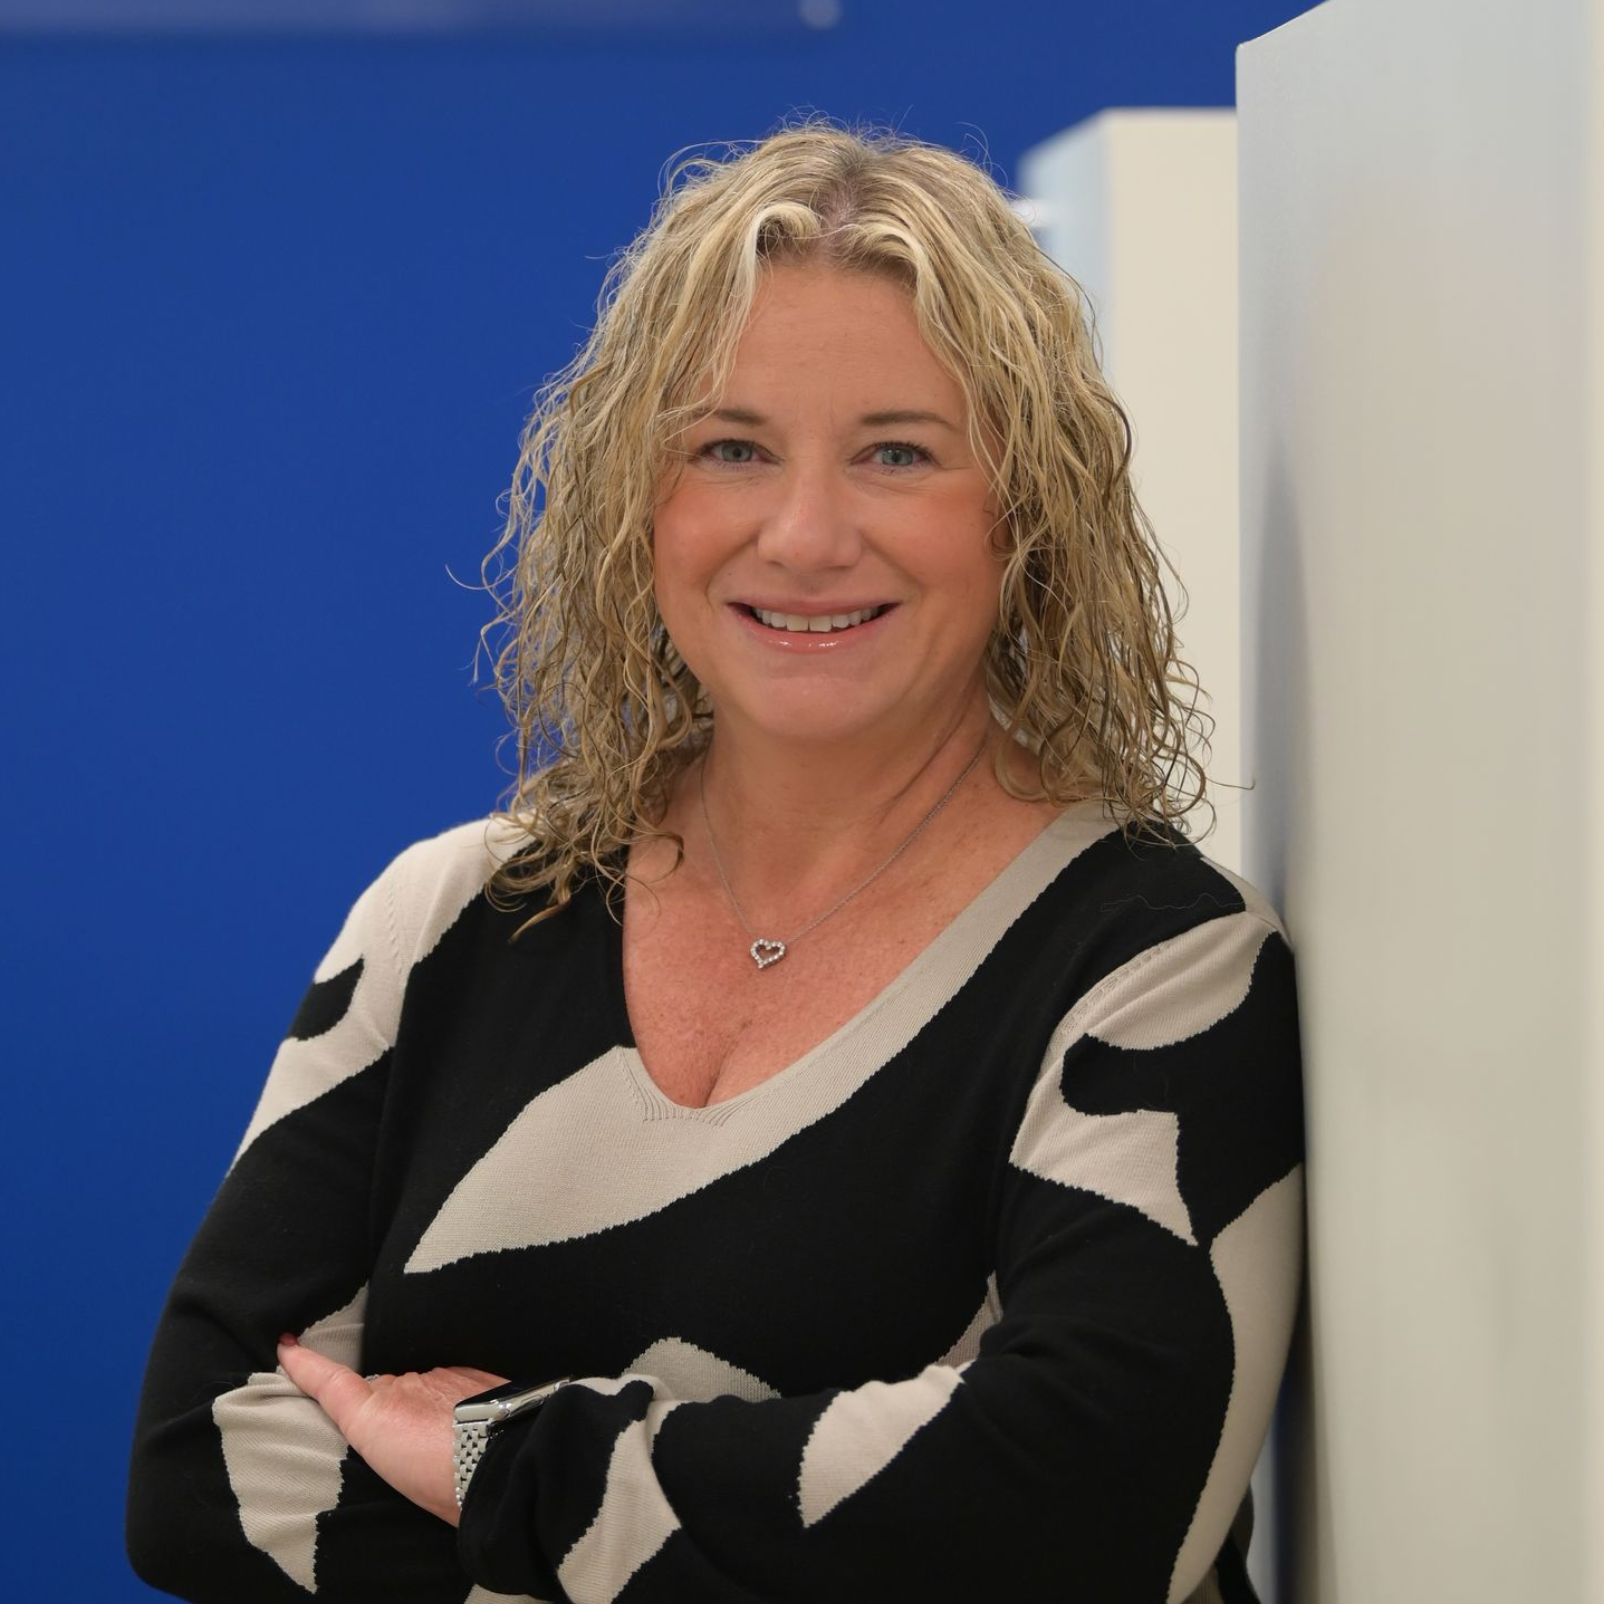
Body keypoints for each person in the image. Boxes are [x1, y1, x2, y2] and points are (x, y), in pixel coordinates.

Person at [127, 120, 1304, 1604]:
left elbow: (1079, 1517)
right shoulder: (449, 920)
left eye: (897, 453)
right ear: (640, 503)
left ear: (1028, 515)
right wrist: (773, 1530)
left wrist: (504, 1459)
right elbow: (198, 1476)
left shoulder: (1160, 965)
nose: (805, 535)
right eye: (731, 449)